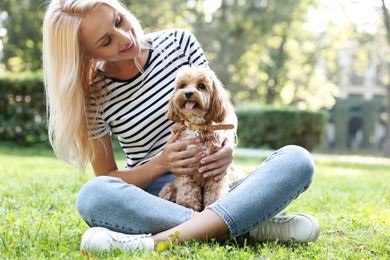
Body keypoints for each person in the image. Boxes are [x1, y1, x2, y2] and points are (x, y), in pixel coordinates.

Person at [42, 0, 320, 253]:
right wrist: (161, 164)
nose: (126, 38)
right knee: (93, 195)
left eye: (119, 20)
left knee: (297, 159)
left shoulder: (178, 42)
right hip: (160, 197)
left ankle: (155, 242)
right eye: (106, 41)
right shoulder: (94, 94)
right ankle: (246, 224)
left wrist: (227, 143)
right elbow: (108, 177)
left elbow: (221, 107)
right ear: (88, 54)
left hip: (219, 184)